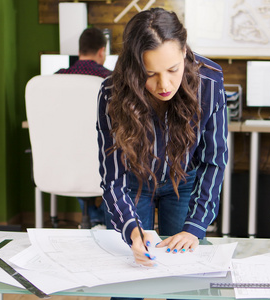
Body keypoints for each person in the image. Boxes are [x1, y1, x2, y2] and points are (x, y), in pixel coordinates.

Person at [97, 7, 228, 267]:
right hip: (134, 182)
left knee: (182, 277)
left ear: (183, 52)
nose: (165, 85)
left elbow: (214, 161)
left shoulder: (210, 82)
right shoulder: (112, 93)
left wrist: (195, 227)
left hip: (184, 183)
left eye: (172, 70)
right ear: (136, 68)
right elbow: (112, 178)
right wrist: (133, 231)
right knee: (131, 276)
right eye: (150, 74)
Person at [56, 27, 112, 229]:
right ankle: (105, 217)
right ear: (101, 51)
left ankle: (93, 217)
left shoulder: (56, 80)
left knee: (75, 157)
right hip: (102, 158)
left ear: (80, 50)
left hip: (65, 160)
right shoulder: (110, 80)